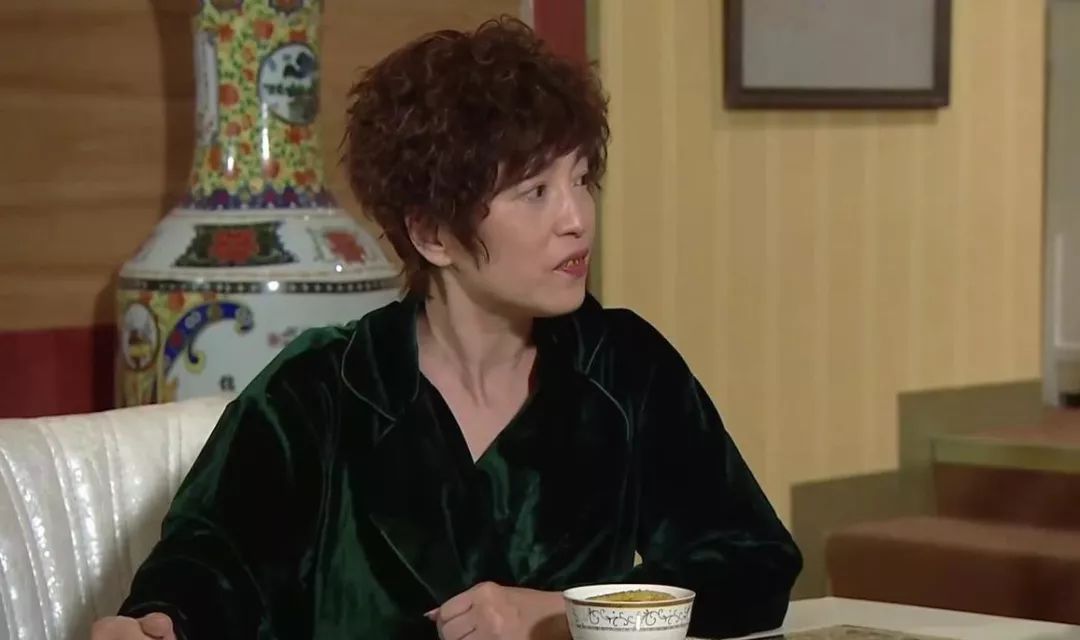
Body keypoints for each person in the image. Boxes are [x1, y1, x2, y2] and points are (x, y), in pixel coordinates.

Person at [92, 16, 801, 640]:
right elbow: (208, 565)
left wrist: (562, 615)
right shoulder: (320, 390)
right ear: (432, 234)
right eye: (535, 191)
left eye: (583, 179)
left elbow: (754, 563)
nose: (577, 218)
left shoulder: (624, 366)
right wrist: (156, 622)